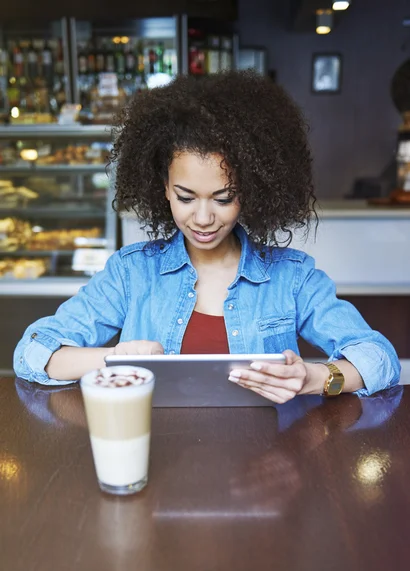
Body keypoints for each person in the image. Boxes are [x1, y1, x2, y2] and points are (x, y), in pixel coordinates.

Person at [14, 71, 400, 400]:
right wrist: (115, 359)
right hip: (157, 458)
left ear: (249, 190)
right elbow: (32, 351)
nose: (203, 218)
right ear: (163, 186)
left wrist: (315, 379)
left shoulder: (292, 277)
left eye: (223, 198)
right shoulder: (131, 274)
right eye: (185, 197)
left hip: (265, 464)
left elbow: (380, 358)